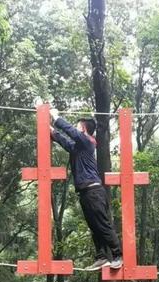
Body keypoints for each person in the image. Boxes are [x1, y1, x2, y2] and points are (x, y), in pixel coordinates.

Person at [49, 108, 123, 270]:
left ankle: (118, 254)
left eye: (78, 127)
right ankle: (102, 256)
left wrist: (56, 117)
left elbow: (72, 133)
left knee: (103, 224)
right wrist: (52, 132)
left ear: (83, 129)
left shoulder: (88, 142)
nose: (75, 129)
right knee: (94, 226)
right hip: (85, 193)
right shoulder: (78, 147)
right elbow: (66, 142)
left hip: (94, 191)